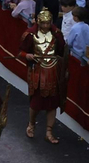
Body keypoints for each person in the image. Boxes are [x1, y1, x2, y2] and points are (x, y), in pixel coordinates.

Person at [19, 8, 68, 144]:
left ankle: (49, 132)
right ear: (39, 22)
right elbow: (20, 52)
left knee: (52, 104)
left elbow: (62, 51)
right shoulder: (29, 35)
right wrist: (27, 55)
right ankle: (31, 124)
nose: (46, 26)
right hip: (38, 71)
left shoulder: (57, 34)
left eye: (48, 23)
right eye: (43, 23)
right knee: (36, 103)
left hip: (53, 72)